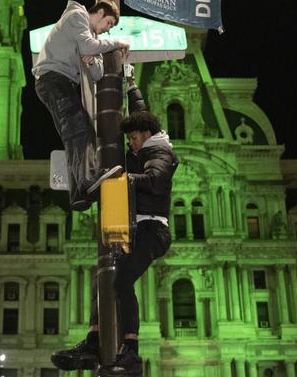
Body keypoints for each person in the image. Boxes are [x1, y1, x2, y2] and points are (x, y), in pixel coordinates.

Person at [52, 75, 177, 376]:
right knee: (103, 281)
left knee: (121, 280)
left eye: (134, 138)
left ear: (147, 135)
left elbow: (156, 182)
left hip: (152, 232)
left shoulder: (161, 154)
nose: (130, 142)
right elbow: (140, 112)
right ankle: (95, 340)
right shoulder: (144, 145)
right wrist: (132, 85)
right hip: (134, 228)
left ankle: (130, 350)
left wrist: (121, 179)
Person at [33, 0, 129, 211]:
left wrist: (93, 60)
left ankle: (78, 194)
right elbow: (88, 46)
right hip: (53, 79)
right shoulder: (77, 16)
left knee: (74, 133)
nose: (107, 30)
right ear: (101, 13)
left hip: (58, 83)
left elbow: (98, 74)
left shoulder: (91, 36)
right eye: (109, 23)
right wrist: (117, 43)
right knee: (79, 129)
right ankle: (89, 179)